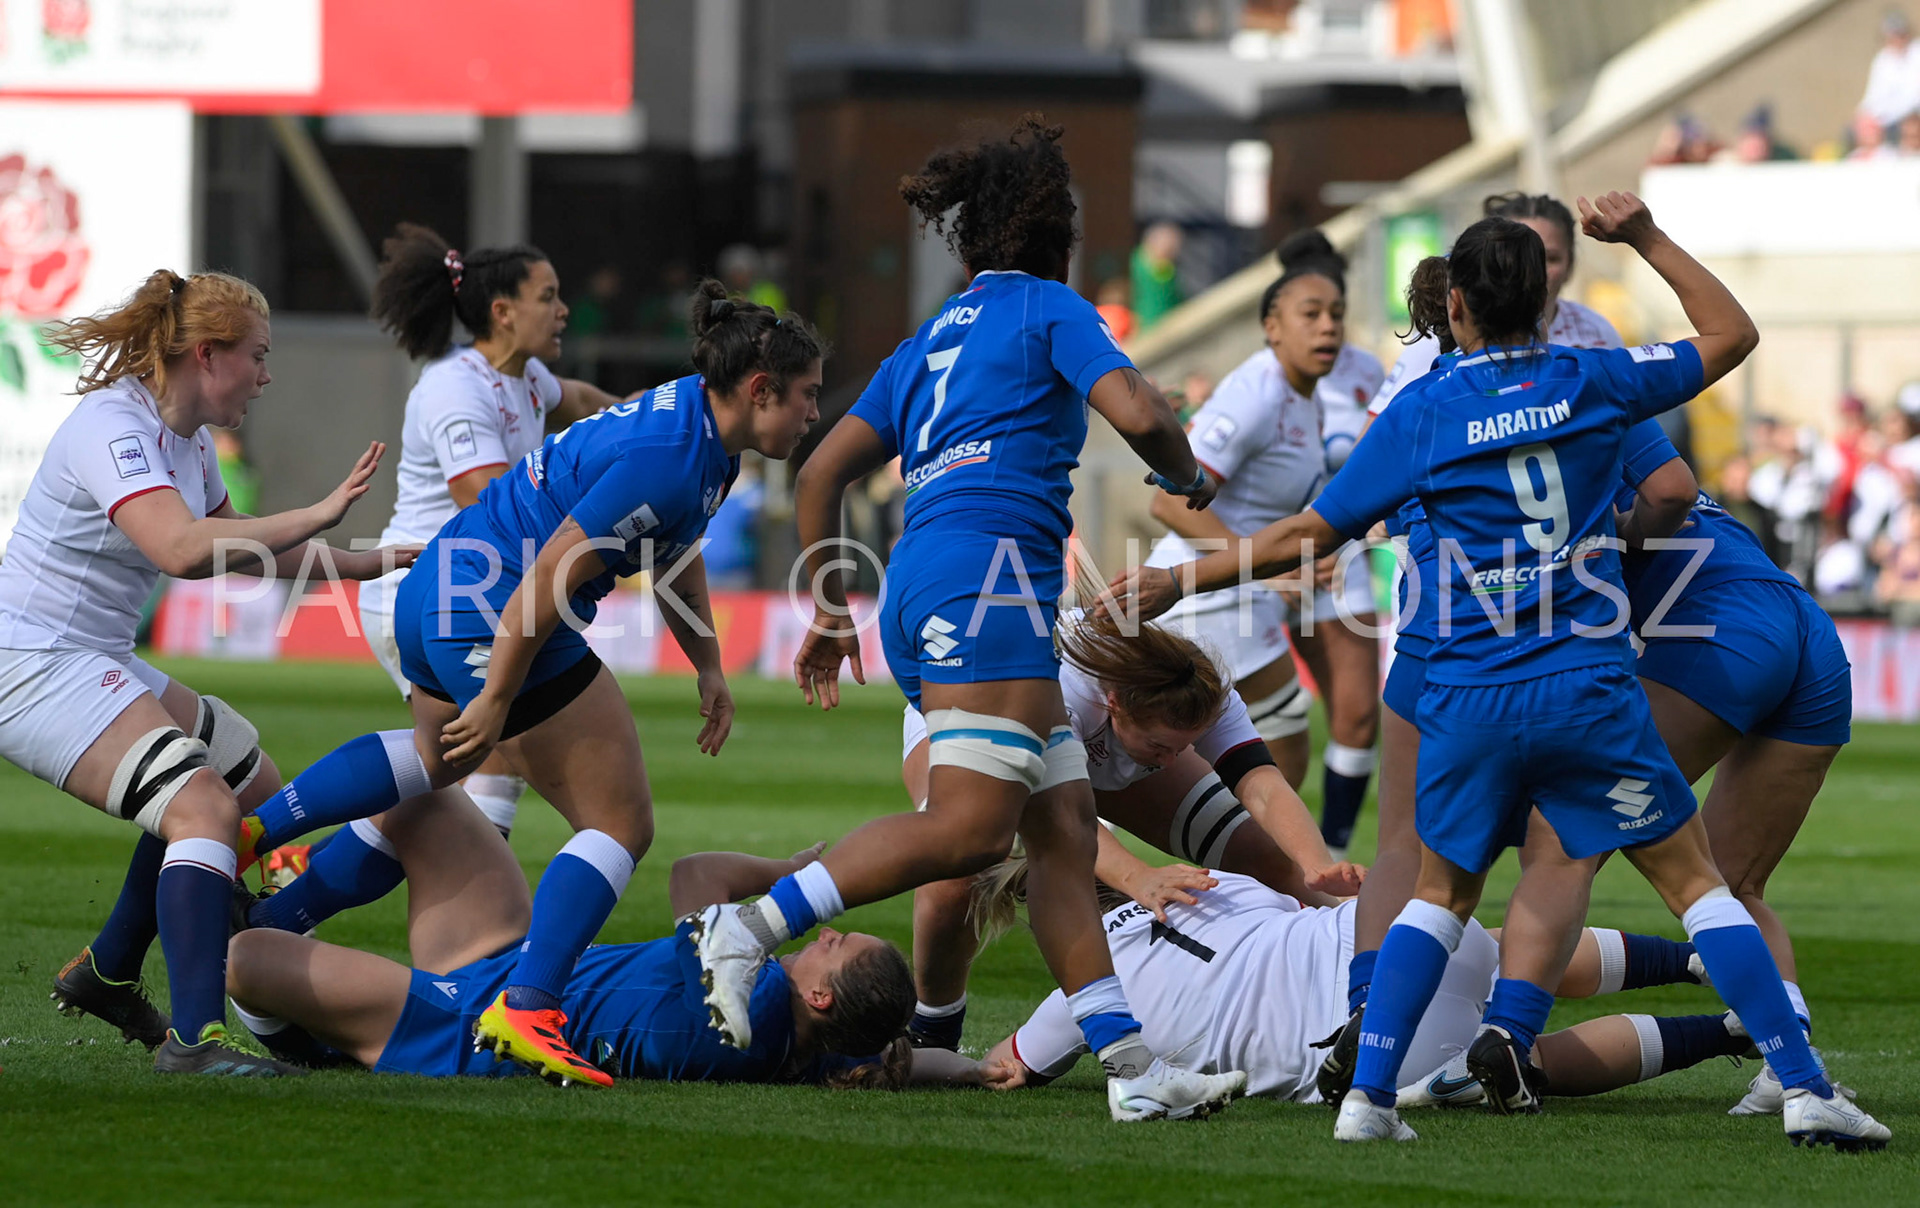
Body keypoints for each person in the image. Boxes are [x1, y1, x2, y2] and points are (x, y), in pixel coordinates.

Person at [1108, 194, 1890, 1149]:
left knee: (1435, 890)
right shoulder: (1598, 379)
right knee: (1700, 887)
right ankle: (1802, 1086)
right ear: (1544, 304)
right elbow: (1729, 338)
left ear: (1459, 312)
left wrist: (1179, 577)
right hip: (1587, 686)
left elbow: (1308, 534)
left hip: (1467, 693)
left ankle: (1368, 1101)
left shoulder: (1421, 410)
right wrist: (1643, 237)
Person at [706, 116, 1246, 1124]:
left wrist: (829, 607)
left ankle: (1133, 1069)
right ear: (1055, 232)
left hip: (926, 579)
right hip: (986, 583)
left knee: (1062, 829)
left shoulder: (928, 338)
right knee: (967, 828)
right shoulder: (1049, 308)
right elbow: (1133, 405)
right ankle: (750, 926)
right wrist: (1184, 471)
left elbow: (820, 469)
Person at [218, 281, 829, 1088]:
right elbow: (550, 570)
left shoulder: (690, 422)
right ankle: (531, 1005)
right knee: (620, 824)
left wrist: (708, 662)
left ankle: (262, 866)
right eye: (809, 397)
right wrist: (501, 693)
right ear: (759, 391)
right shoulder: (677, 459)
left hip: (438, 593)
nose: (815, 414)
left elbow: (671, 554)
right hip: (499, 608)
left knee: (433, 773)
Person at [11, 270, 402, 1073]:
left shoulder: (185, 441)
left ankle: (111, 969)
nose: (266, 377)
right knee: (203, 810)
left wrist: (363, 563)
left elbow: (246, 548)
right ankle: (199, 1039)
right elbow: (182, 551)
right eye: (257, 357)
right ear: (206, 354)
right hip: (31, 662)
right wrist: (319, 510)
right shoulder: (113, 425)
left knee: (248, 778)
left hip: (88, 655)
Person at [1312, 189, 1656, 1101]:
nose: (1539, 270)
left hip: (1463, 630)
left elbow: (1360, 496)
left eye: (1548, 252)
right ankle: (1432, 1019)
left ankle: (1431, 1030)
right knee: (1512, 846)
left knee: (1451, 856)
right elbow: (1667, 484)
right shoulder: (1583, 358)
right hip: (1509, 625)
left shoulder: (1458, 370)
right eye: (1529, 253)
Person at [1512, 418, 1865, 1116]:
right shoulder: (1603, 428)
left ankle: (1502, 1036)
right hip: (1803, 628)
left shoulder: (1541, 467)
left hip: (1722, 630)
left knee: (1563, 844)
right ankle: (1792, 1063)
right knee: (1734, 887)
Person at [225, 789, 914, 1087]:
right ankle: (286, 918)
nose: (822, 931)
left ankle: (317, 1046)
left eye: (836, 944)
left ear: (821, 996)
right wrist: (984, 1066)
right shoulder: (810, 1050)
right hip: (512, 963)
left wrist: (789, 872)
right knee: (422, 798)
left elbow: (695, 872)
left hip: (469, 1025)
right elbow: (901, 1059)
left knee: (243, 958)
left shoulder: (746, 991)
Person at [897, 613, 1364, 1050]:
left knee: (1263, 854)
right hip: (977, 721)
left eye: (1184, 747)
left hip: (1093, 740)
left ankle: (1368, 962)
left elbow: (1261, 785)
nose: (1170, 761)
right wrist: (1139, 877)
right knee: (957, 871)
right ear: (1114, 702)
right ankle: (933, 1028)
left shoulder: (1200, 687)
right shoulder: (1058, 691)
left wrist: (1317, 866)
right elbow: (1061, 819)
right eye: (1161, 746)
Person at [945, 860, 1751, 1112]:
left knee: (1529, 1061)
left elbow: (1011, 1065)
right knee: (1503, 952)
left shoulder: (1077, 1003)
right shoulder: (1203, 881)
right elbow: (1296, 908)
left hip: (1360, 1044)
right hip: (1390, 939)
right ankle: (1689, 961)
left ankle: (1724, 1034)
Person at [351, 223, 628, 850]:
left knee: (446, 766)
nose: (563, 311)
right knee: (501, 744)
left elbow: (578, 398)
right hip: (428, 593)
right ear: (503, 312)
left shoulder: (524, 376)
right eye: (549, 296)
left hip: (470, 593)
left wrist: (641, 413)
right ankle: (488, 915)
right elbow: (489, 502)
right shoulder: (457, 387)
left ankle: (295, 876)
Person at [1143, 230, 1381, 854]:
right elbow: (1168, 498)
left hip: (1238, 600)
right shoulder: (1256, 394)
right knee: (1265, 760)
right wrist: (1263, 568)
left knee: (1269, 758)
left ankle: (1244, 886)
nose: (1327, 327)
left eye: (1335, 315)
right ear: (1271, 326)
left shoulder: (1305, 398)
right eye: (1310, 315)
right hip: (1204, 601)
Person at [1858, 9, 1920, 132]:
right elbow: (1873, 94)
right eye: (1893, 35)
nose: (1897, 39)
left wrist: (1883, 118)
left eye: (1899, 34)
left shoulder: (1917, 52)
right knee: (1854, 130)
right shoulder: (1882, 59)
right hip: (1885, 119)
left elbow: (1913, 97)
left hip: (1908, 117)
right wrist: (1862, 115)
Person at [1130, 221, 1184, 331]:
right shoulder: (1150, 265)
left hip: (1165, 321)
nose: (1175, 252)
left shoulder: (1141, 261)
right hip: (1153, 322)